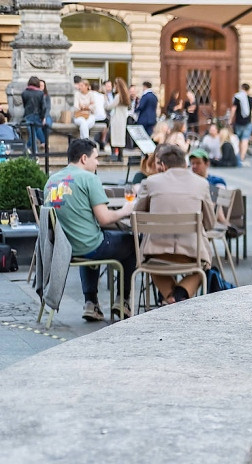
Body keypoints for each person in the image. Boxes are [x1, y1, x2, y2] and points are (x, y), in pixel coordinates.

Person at [43, 139, 137, 321]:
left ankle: (91, 303)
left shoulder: (52, 180)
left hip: (62, 248)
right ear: (84, 158)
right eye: (96, 158)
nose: (98, 162)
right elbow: (104, 218)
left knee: (92, 239)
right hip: (87, 246)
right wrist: (125, 210)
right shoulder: (89, 178)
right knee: (131, 242)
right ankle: (122, 301)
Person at [133, 144, 218, 303]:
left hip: (156, 253)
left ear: (163, 165)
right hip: (192, 254)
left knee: (148, 263)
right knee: (204, 266)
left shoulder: (150, 182)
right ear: (185, 164)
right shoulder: (201, 183)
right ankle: (179, 295)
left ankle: (172, 297)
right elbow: (210, 223)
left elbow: (138, 217)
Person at [227, 83, 252, 164]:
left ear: (242, 88)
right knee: (245, 139)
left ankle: (238, 156)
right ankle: (242, 156)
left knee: (238, 139)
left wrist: (230, 119)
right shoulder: (251, 99)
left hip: (239, 121)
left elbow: (233, 109)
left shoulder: (237, 98)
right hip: (248, 121)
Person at [106, 77, 131, 159]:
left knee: (114, 137)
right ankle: (120, 156)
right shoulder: (126, 96)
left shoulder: (118, 96)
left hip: (116, 119)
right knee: (120, 138)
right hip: (123, 119)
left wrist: (105, 100)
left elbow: (110, 106)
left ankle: (114, 155)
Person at [20, 76, 46, 153]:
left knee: (33, 133)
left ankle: (32, 148)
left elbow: (25, 105)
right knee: (34, 134)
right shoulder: (40, 93)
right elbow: (43, 107)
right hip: (37, 116)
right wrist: (43, 117)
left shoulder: (24, 93)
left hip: (28, 115)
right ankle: (32, 150)